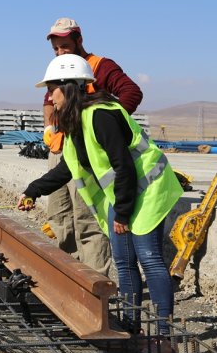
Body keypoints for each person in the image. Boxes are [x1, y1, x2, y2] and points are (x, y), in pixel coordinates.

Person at [18, 54, 182, 353]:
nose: (49, 98)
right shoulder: (75, 125)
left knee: (149, 259)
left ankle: (164, 336)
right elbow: (66, 169)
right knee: (123, 261)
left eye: (52, 89)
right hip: (124, 194)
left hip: (148, 191)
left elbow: (124, 166)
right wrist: (32, 191)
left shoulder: (101, 115)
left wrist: (121, 212)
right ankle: (132, 326)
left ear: (68, 87)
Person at [41, 17, 143, 277]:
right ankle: (70, 271)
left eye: (65, 46)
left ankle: (94, 279)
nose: (60, 52)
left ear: (79, 40)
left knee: (85, 218)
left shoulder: (100, 66)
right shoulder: (59, 67)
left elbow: (132, 92)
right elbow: (48, 100)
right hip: (61, 149)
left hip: (85, 152)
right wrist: (49, 129)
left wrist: (108, 125)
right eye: (56, 49)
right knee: (59, 216)